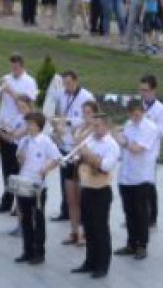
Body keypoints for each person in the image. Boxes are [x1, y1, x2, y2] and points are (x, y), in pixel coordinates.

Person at [71, 112, 120, 278]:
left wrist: (86, 154)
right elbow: (79, 156)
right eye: (93, 125)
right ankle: (89, 262)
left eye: (97, 125)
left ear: (106, 126)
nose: (94, 129)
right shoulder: (90, 140)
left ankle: (102, 265)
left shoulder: (111, 145)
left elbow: (105, 166)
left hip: (101, 190)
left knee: (100, 229)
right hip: (87, 188)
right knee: (89, 228)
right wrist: (79, 156)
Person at [14, 111, 62, 265]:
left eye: (31, 124)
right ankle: (27, 250)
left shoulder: (45, 141)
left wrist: (46, 169)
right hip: (24, 182)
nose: (28, 127)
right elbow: (20, 160)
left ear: (38, 126)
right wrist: (20, 157)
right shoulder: (24, 141)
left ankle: (39, 252)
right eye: (27, 123)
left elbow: (57, 158)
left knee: (38, 219)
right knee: (25, 218)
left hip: (38, 185)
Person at [0, 54, 38, 215]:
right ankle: (6, 201)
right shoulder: (6, 78)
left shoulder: (29, 82)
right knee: (6, 166)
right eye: (11, 67)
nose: (13, 70)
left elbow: (27, 103)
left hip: (20, 126)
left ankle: (18, 203)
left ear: (22, 66)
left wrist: (10, 91)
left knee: (17, 167)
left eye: (16, 67)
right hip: (4, 123)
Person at [50, 71, 94, 235]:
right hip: (64, 142)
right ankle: (66, 210)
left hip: (79, 145)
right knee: (65, 180)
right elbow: (61, 114)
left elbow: (90, 119)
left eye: (68, 83)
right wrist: (56, 124)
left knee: (80, 183)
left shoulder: (86, 96)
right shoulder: (62, 95)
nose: (66, 86)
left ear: (76, 81)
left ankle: (82, 215)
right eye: (64, 83)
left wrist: (67, 122)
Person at [114, 101, 159, 260]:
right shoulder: (128, 125)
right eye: (132, 113)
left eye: (138, 112)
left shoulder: (150, 128)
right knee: (129, 212)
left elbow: (137, 149)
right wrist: (118, 137)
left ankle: (142, 245)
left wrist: (122, 140)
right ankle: (131, 243)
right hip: (126, 176)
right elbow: (123, 147)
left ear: (143, 111)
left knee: (141, 213)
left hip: (142, 177)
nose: (136, 116)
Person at [138, 75, 163, 227]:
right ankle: (138, 214)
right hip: (136, 151)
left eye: (146, 90)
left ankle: (152, 216)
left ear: (154, 90)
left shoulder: (161, 109)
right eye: (141, 90)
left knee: (149, 185)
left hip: (151, 152)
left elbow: (160, 132)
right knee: (136, 184)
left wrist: (146, 125)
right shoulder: (138, 106)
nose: (143, 93)